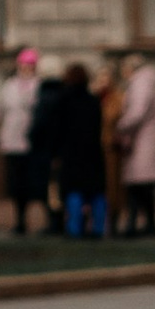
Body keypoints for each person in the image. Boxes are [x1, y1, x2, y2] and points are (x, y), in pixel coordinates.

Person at [37, 59, 107, 236]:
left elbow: (56, 130)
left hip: (71, 154)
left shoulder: (63, 101)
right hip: (92, 152)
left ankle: (75, 228)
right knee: (96, 191)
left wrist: (53, 153)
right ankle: (98, 227)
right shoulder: (92, 101)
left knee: (73, 190)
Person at [117, 55, 155, 236]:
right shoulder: (143, 82)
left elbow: (137, 112)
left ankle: (137, 225)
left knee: (139, 186)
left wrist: (120, 125)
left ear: (130, 68)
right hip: (142, 140)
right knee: (141, 187)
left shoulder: (140, 83)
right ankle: (145, 224)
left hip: (142, 141)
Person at [0, 49, 43, 231]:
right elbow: (2, 111)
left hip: (32, 142)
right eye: (23, 65)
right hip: (12, 142)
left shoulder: (39, 85)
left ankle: (38, 219)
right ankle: (20, 219)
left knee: (33, 182)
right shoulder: (10, 85)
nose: (25, 69)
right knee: (16, 183)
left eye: (29, 66)